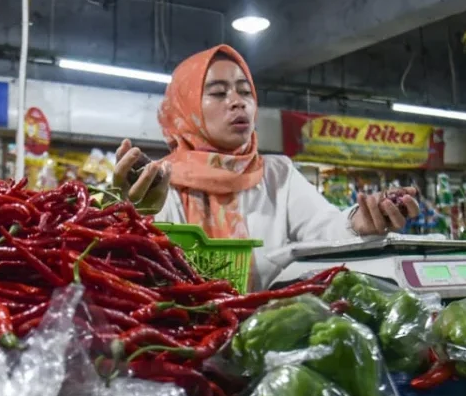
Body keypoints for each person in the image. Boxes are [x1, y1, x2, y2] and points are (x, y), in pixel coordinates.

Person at [112, 44, 419, 290]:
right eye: (218, 93)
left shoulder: (277, 175)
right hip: (182, 340)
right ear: (186, 105)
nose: (237, 102)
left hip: (268, 335)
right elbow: (136, 272)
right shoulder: (160, 182)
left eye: (245, 91)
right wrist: (129, 212)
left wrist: (360, 221)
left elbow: (325, 231)